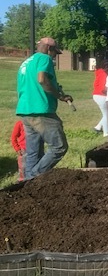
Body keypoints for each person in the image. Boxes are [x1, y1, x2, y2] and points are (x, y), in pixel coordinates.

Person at [16, 37, 72, 180]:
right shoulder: (44, 59)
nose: (55, 57)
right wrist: (59, 96)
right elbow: (41, 79)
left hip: (25, 110)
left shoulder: (27, 62)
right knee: (59, 147)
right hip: (41, 110)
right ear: (49, 49)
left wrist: (56, 89)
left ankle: (28, 183)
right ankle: (34, 176)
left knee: (33, 152)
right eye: (55, 53)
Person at [92, 60, 108, 137]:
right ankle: (106, 132)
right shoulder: (104, 74)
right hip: (101, 95)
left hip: (96, 95)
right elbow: (103, 88)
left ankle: (98, 127)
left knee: (105, 114)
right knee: (107, 114)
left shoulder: (99, 72)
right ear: (106, 66)